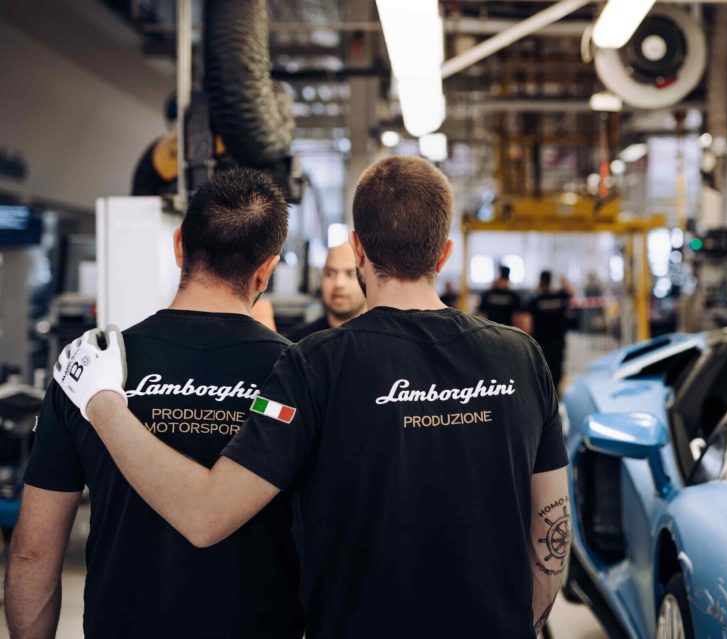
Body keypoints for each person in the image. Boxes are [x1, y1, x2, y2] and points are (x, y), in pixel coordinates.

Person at [52, 156, 570, 639]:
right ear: (444, 252)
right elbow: (552, 537)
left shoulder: (315, 363)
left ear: (358, 247)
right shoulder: (522, 359)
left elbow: (207, 515)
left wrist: (101, 402)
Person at [4, 169, 304, 639]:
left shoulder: (90, 367)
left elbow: (32, 554)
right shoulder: (297, 374)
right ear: (266, 269)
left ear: (180, 245)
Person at [288, 242, 366, 341]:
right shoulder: (299, 343)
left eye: (351, 274)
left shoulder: (380, 343)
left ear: (367, 279)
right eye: (330, 274)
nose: (339, 283)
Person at [527, 271, 572, 391]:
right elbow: (571, 292)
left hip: (540, 342)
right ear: (550, 281)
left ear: (541, 282)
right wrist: (563, 279)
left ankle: (544, 393)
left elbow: (527, 321)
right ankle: (555, 392)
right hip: (558, 341)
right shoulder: (560, 297)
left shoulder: (535, 300)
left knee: (540, 369)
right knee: (557, 369)